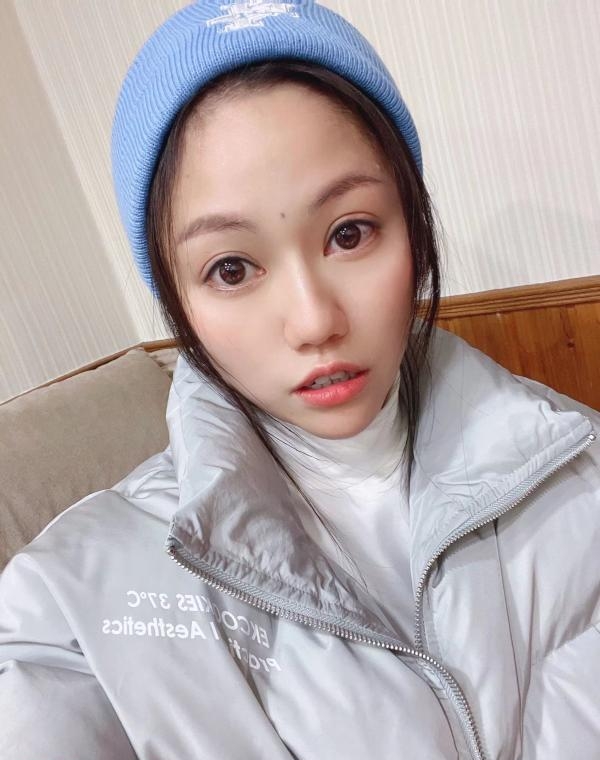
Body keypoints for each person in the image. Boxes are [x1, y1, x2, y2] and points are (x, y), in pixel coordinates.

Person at [1, 2, 598, 758]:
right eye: (231, 269)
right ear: (177, 298)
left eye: (349, 233)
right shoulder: (66, 608)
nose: (314, 321)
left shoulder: (580, 464)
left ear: (414, 227)